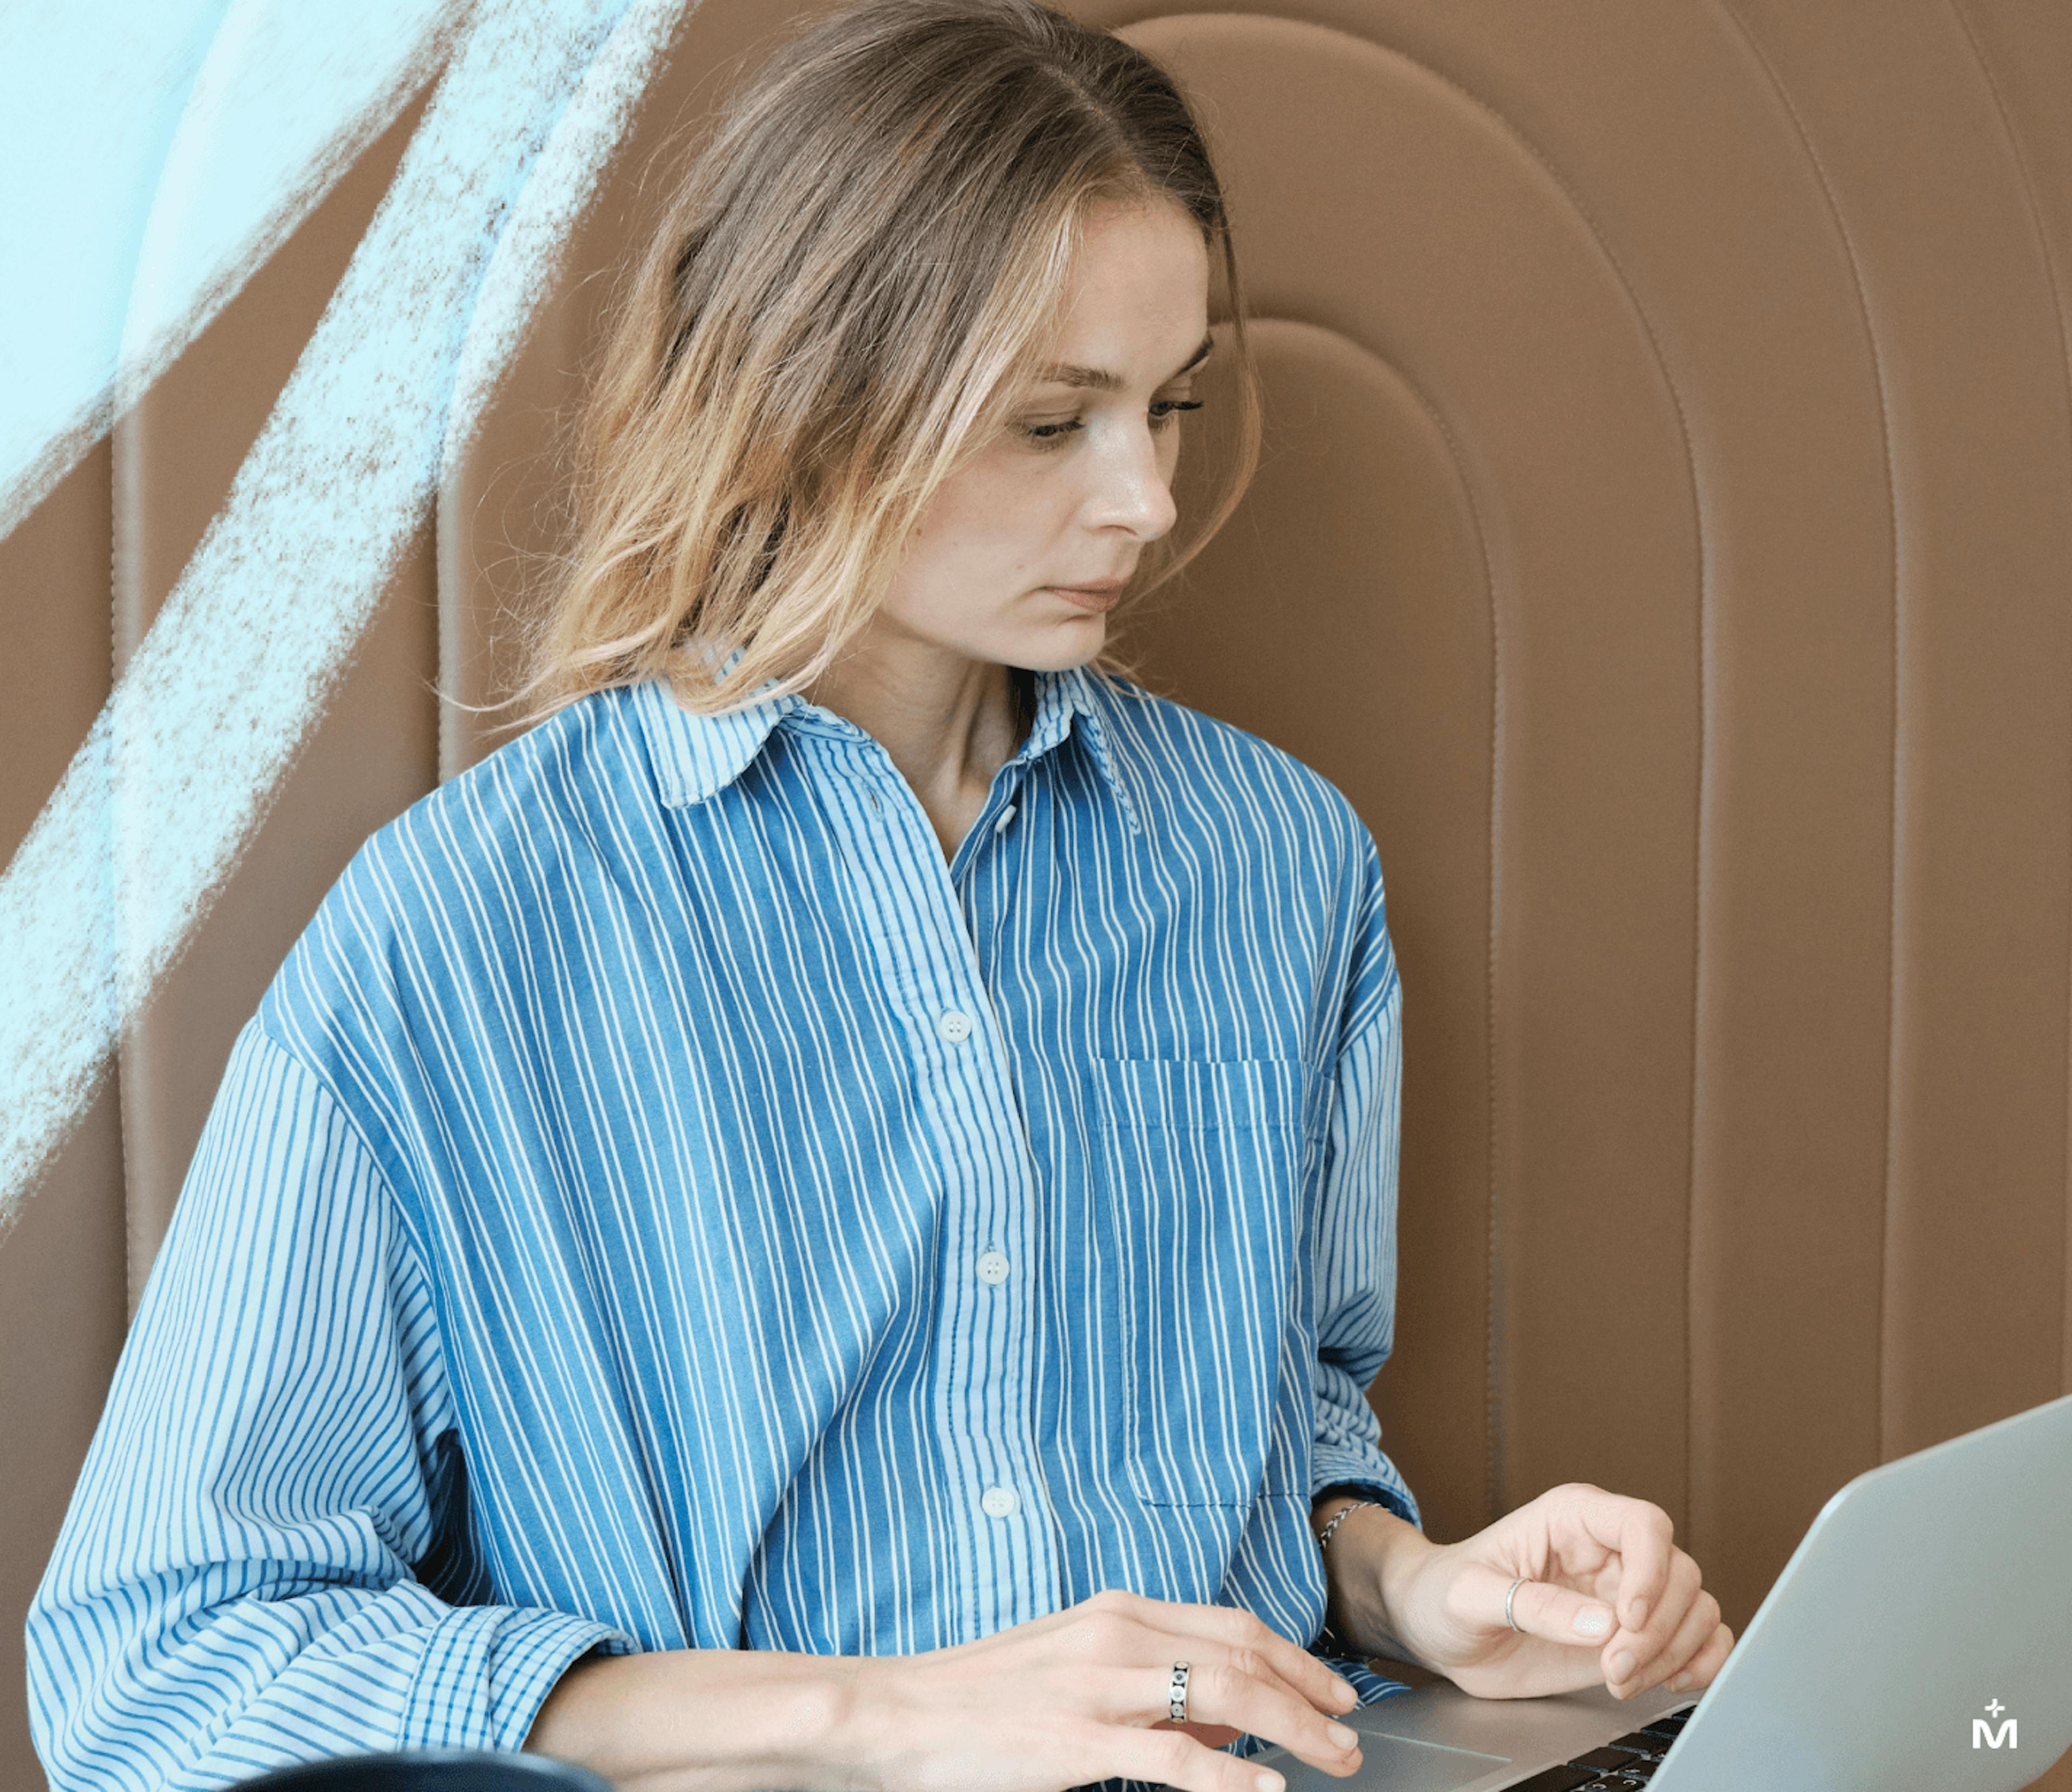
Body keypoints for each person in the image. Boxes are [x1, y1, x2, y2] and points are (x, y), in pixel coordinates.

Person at [26, 2, 1734, 1789]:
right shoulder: (457, 939)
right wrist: (884, 1719)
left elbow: (1277, 1410)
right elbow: (159, 1664)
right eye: (1051, 421)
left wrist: (1409, 1584)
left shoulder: (1275, 859)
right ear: (802, 404)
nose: (1144, 498)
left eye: (1166, 409)